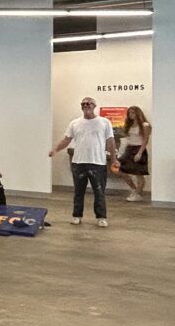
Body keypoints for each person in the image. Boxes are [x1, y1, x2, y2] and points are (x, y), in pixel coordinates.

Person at [49, 96, 118, 228]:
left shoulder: (104, 122)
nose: (86, 106)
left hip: (98, 162)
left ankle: (101, 217)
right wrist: (55, 149)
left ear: (94, 106)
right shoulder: (75, 123)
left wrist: (114, 159)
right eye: (83, 104)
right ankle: (76, 215)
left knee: (99, 192)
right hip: (79, 162)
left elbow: (110, 142)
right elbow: (67, 139)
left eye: (89, 103)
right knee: (78, 191)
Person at [118, 106, 151, 202]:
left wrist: (140, 153)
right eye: (129, 113)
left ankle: (137, 193)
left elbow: (145, 140)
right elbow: (127, 138)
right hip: (129, 149)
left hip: (139, 148)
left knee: (138, 174)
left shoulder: (145, 125)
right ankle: (134, 189)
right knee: (118, 169)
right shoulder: (129, 124)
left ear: (138, 113)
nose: (131, 114)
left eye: (133, 112)